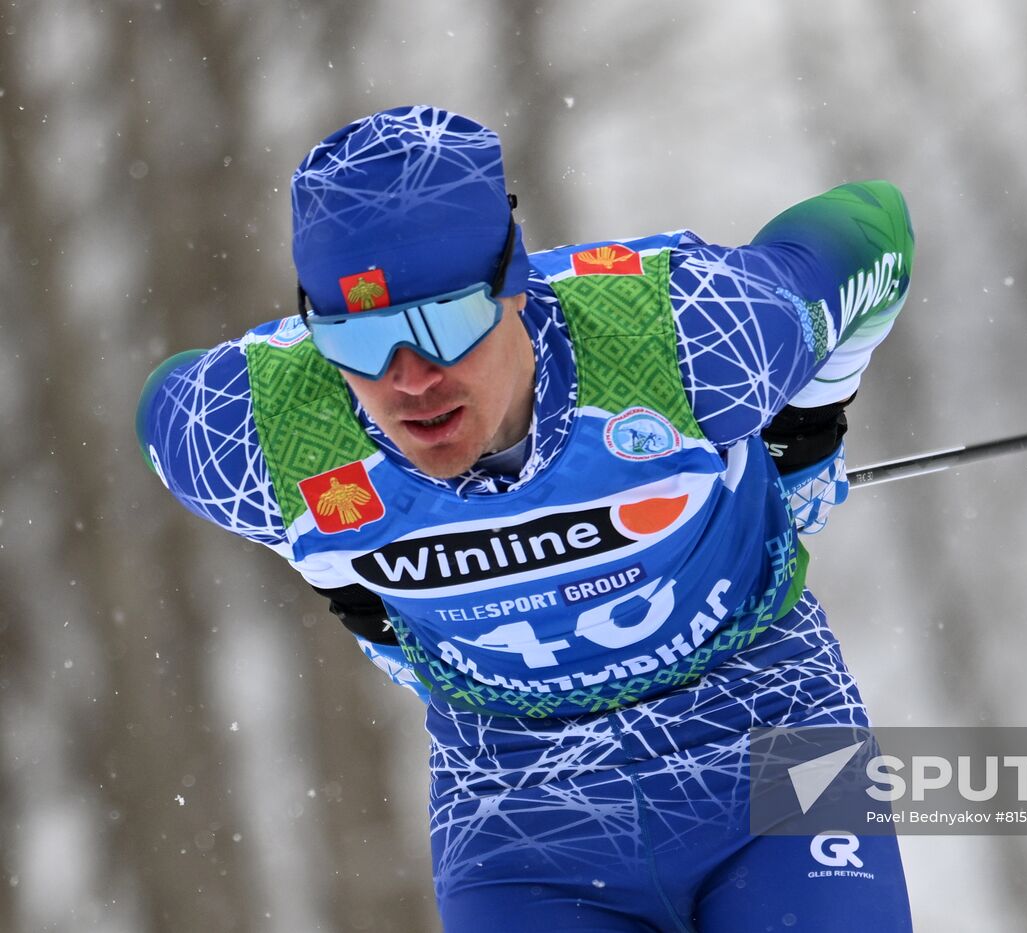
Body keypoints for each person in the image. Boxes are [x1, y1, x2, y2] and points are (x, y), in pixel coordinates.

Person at [137, 104, 916, 932]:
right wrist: (350, 587)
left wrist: (801, 436)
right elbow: (161, 408)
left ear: (513, 282)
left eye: (443, 325)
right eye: (359, 340)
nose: (409, 379)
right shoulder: (253, 430)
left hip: (769, 738)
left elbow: (877, 226)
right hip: (524, 824)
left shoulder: (687, 336)